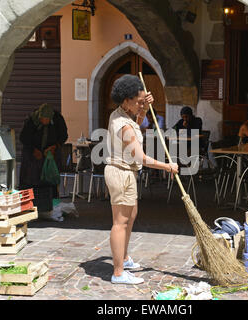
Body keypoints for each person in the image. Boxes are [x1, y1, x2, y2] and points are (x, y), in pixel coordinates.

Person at [105, 74, 178, 285]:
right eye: (138, 101)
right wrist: (167, 166)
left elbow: (139, 124)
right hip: (121, 173)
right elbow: (141, 157)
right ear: (125, 100)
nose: (140, 105)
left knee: (131, 215)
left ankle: (124, 259)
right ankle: (118, 272)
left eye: (142, 101)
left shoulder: (121, 115)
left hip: (126, 173)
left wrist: (144, 109)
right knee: (120, 223)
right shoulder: (123, 124)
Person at [19, 103, 68, 198]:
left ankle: (51, 199)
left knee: (49, 180)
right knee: (32, 179)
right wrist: (34, 150)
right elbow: (23, 138)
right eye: (42, 119)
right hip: (33, 155)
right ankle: (32, 199)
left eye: (47, 120)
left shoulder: (58, 119)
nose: (45, 121)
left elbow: (63, 136)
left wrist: (54, 147)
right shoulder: (31, 120)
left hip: (51, 155)